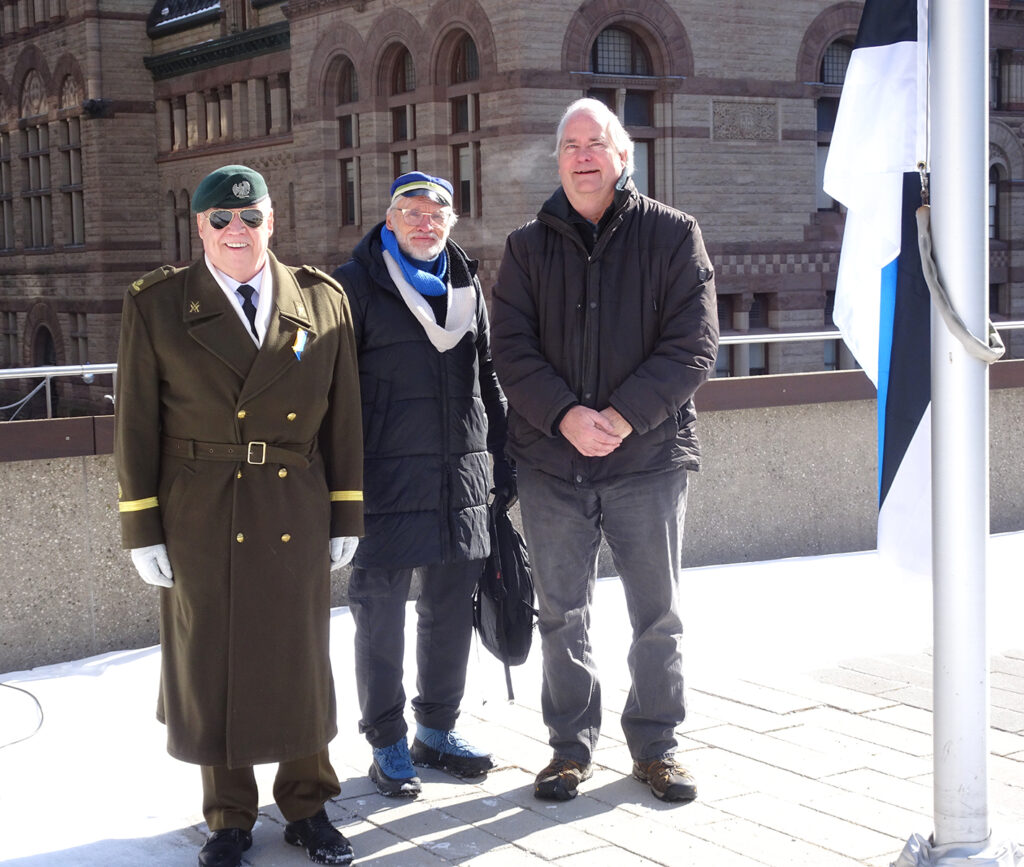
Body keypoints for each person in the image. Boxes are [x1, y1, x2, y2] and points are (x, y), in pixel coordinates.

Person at [115, 165, 364, 867]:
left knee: (297, 656)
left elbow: (345, 418)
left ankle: (308, 803)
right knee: (213, 657)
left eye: (250, 218)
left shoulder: (321, 300)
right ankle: (228, 815)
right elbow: (135, 425)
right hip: (200, 505)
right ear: (198, 227)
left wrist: (347, 512)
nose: (236, 232)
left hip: (293, 499)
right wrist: (143, 526)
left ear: (272, 222)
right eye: (220, 220)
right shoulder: (158, 304)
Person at [491, 99, 719, 804]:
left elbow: (695, 347)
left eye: (597, 143)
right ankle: (569, 748)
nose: (583, 155)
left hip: (646, 460)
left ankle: (657, 747)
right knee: (562, 612)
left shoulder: (675, 236)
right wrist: (566, 416)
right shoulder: (527, 246)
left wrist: (619, 416)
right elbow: (511, 350)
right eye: (570, 145)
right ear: (557, 160)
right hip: (552, 462)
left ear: (623, 156)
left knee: (657, 614)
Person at [332, 171, 512, 798]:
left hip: (461, 475)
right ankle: (385, 741)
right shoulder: (354, 285)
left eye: (436, 212)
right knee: (378, 612)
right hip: (382, 480)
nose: (423, 222)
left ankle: (434, 730)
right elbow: (331, 392)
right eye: (410, 210)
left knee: (448, 611)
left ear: (451, 221)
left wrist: (502, 459)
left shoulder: (466, 284)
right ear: (389, 217)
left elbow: (488, 375)